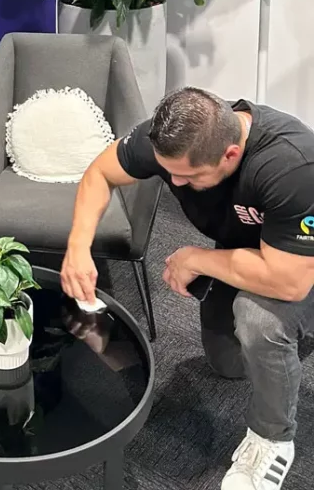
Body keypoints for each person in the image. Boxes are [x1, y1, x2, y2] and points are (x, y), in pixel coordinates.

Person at [61, 87, 314, 490]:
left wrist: (197, 259)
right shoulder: (173, 140)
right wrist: (78, 247)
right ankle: (289, 343)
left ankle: (273, 440)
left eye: (187, 176)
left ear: (230, 155)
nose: (173, 182)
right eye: (168, 171)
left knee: (258, 320)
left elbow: (290, 280)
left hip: (301, 264)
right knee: (228, 363)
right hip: (252, 251)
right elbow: (100, 172)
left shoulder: (292, 167)